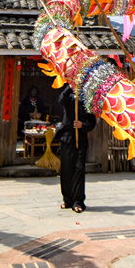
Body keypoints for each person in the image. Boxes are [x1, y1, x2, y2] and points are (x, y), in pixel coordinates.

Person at [55, 84, 95, 213]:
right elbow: (61, 99)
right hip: (67, 138)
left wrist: (82, 125)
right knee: (66, 170)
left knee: (79, 169)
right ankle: (67, 200)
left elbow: (92, 122)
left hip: (80, 140)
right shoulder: (69, 98)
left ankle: (78, 202)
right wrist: (70, 86)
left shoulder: (88, 101)